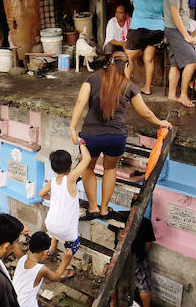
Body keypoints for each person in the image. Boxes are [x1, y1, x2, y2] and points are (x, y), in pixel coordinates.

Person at [69, 58, 171, 220]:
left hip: (91, 136)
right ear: (126, 67)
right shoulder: (129, 86)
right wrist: (160, 122)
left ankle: (93, 208)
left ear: (107, 65)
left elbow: (80, 102)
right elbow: (145, 113)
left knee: (88, 168)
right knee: (110, 169)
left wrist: (73, 128)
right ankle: (104, 210)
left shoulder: (92, 79)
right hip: (116, 137)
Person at [39, 144, 92, 264]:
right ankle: (64, 265)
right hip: (66, 230)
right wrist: (82, 142)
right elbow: (87, 159)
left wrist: (54, 198)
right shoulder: (71, 178)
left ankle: (52, 248)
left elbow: (41, 194)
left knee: (57, 229)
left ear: (53, 168)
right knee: (73, 246)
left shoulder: (52, 181)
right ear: (71, 166)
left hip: (50, 225)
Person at [126, 0, 168, 95]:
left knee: (129, 59)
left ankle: (127, 89)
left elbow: (132, 3)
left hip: (138, 28)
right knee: (149, 59)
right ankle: (147, 88)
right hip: (157, 31)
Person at [162, 0, 196, 107]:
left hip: (179, 29)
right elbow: (174, 13)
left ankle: (172, 94)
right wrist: (186, 36)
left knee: (175, 63)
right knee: (193, 59)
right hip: (175, 30)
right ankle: (183, 95)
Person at [109, 217, 156, 307]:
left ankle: (113, 302)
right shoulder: (145, 222)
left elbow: (115, 236)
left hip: (118, 257)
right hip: (137, 258)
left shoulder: (119, 216)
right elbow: (148, 244)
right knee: (143, 284)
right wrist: (143, 254)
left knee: (113, 281)